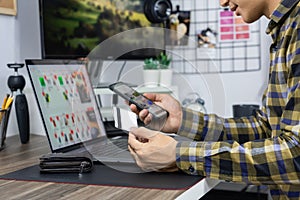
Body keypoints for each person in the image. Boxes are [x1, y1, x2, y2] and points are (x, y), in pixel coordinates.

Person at [127, 0, 300, 199]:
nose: (223, 2)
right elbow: (267, 129)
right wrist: (182, 120)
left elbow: (296, 155)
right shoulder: (287, 29)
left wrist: (179, 154)